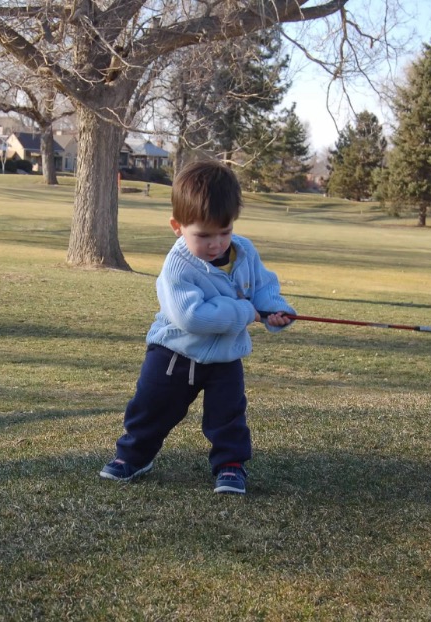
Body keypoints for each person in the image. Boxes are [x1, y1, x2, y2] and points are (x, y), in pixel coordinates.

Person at [99, 159, 295, 495]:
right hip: (174, 354)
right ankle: (134, 456)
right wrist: (247, 311)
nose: (216, 243)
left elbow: (263, 287)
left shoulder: (244, 251)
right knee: (151, 409)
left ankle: (230, 465)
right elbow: (192, 317)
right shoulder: (177, 266)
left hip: (225, 356)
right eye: (203, 235)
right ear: (177, 226)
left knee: (229, 415)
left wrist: (274, 309)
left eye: (225, 231)